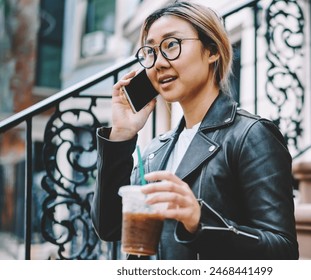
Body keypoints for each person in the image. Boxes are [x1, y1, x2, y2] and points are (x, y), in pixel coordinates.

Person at [91, 1, 299, 260]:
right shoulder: (157, 149)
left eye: (171, 45)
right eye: (150, 52)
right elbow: (109, 227)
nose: (158, 63)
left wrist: (200, 220)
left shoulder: (251, 135)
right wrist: (121, 135)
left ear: (212, 51)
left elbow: (282, 251)